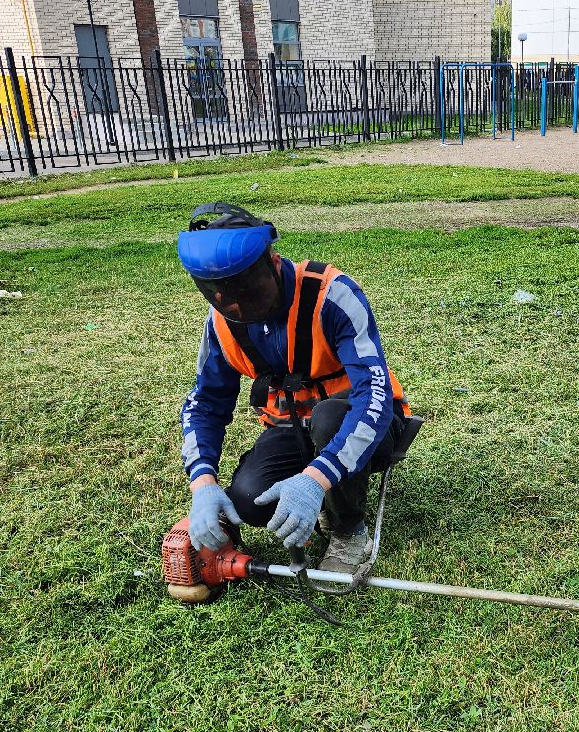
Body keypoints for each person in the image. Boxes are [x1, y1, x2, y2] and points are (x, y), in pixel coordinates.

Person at [176, 202, 412, 574]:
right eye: (220, 295)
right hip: (290, 428)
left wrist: (314, 480)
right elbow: (205, 404)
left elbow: (374, 398)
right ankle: (318, 489)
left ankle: (349, 531)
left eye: (247, 291)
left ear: (273, 261)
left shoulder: (332, 295)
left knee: (328, 417)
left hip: (363, 423)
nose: (237, 305)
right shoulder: (222, 321)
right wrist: (203, 483)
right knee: (248, 500)